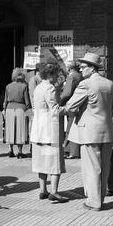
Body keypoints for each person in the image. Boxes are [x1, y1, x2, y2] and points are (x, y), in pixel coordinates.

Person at [63, 53, 113, 211]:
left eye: (84, 66)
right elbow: (112, 108)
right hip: (106, 130)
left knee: (92, 168)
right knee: (104, 167)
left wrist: (63, 110)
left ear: (92, 68)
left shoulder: (86, 84)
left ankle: (94, 202)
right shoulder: (110, 84)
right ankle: (100, 198)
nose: (81, 68)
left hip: (89, 132)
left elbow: (70, 106)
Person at [30, 62, 68, 203]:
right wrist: (69, 109)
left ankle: (42, 190)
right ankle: (54, 191)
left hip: (38, 129)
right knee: (54, 161)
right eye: (56, 74)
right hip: (50, 130)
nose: (58, 76)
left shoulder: (38, 88)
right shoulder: (50, 88)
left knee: (41, 161)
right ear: (50, 74)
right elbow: (55, 110)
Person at [3, 68, 31, 158]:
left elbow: (5, 100)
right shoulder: (24, 86)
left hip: (9, 108)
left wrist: (4, 109)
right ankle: (19, 152)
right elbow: (27, 101)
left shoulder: (8, 86)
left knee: (10, 129)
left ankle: (10, 150)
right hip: (21, 108)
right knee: (20, 130)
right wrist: (29, 109)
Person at [60, 60, 82, 159]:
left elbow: (67, 93)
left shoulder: (71, 76)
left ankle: (71, 151)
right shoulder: (80, 75)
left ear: (68, 68)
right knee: (75, 127)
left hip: (72, 105)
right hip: (80, 104)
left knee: (70, 128)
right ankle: (75, 150)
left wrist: (59, 102)